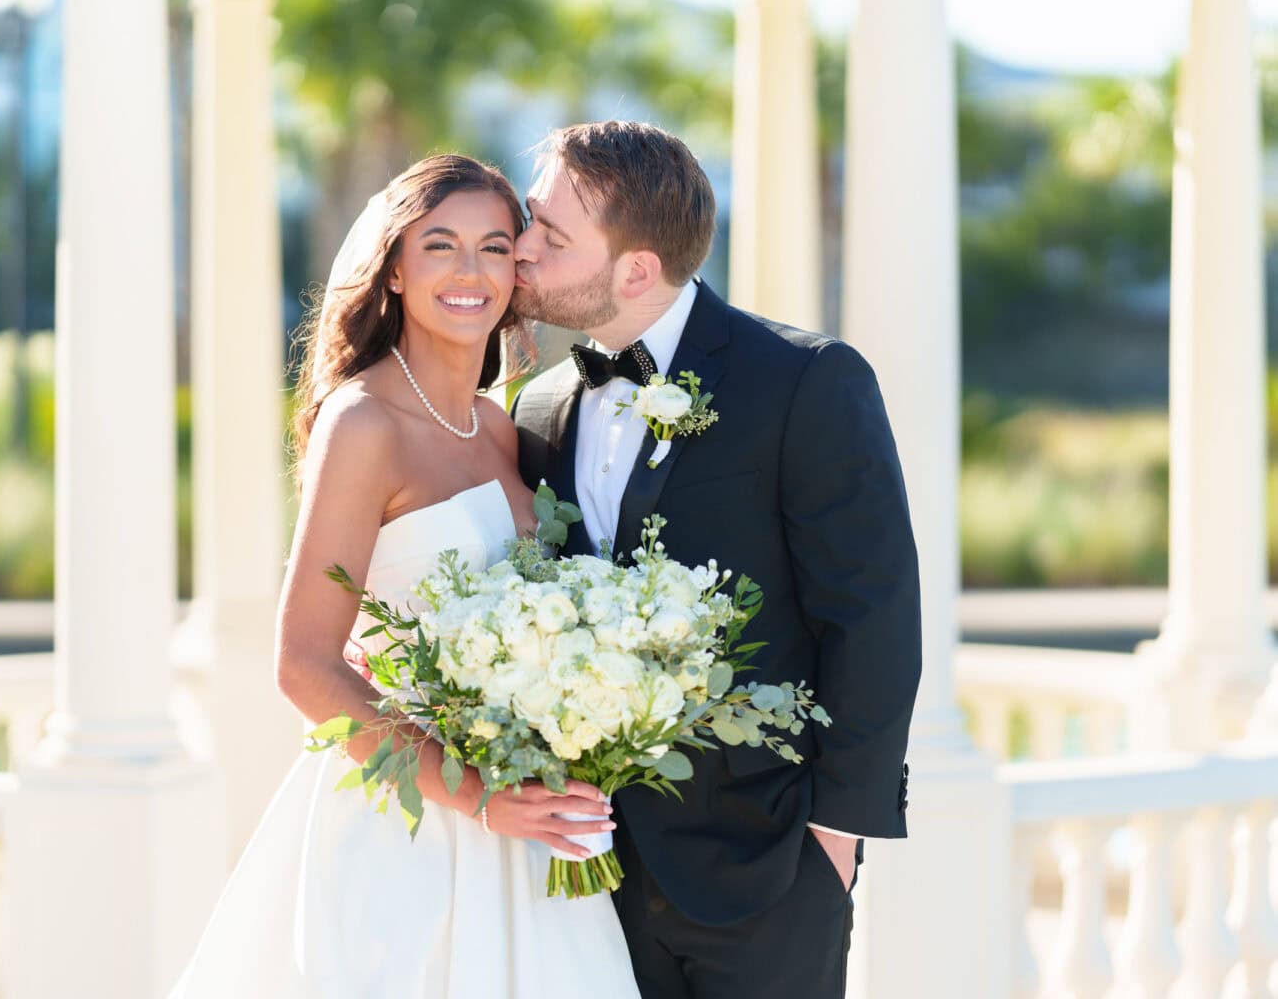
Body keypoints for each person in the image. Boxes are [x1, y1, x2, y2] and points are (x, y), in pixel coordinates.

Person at [169, 154, 641, 998]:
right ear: (394, 268)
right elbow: (303, 663)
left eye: (495, 248)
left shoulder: (501, 427)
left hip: (531, 825)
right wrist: (475, 795)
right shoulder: (362, 423)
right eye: (440, 247)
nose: (470, 272)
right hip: (412, 825)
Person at [511, 121, 922, 999]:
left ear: (634, 269)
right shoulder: (537, 407)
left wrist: (837, 834)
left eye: (551, 234)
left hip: (769, 861)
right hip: (588, 877)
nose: (522, 249)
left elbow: (873, 613)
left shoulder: (807, 380)